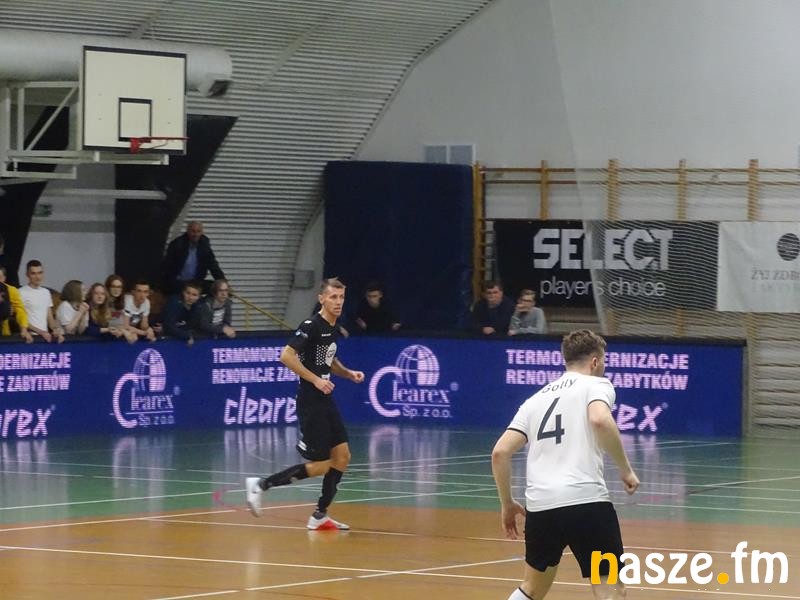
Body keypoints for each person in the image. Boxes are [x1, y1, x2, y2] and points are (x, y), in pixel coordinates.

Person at [491, 329, 640, 600]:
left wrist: (507, 503)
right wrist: (625, 469)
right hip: (587, 503)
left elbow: (500, 452)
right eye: (604, 361)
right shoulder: (596, 385)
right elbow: (599, 419)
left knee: (532, 589)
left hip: (541, 509)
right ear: (595, 362)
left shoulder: (534, 400)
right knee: (609, 589)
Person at [245, 277, 365, 530]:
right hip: (311, 401)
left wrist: (347, 373)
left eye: (341, 297)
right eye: (333, 297)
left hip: (325, 399)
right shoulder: (311, 325)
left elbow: (328, 360)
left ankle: (320, 515)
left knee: (342, 456)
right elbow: (286, 356)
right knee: (322, 464)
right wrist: (316, 380)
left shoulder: (332, 326)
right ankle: (261, 485)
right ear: (321, 299)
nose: (338, 302)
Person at [161, 221, 225, 294]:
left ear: (202, 232)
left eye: (198, 231)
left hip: (196, 283)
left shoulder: (204, 245)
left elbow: (213, 265)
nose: (196, 234)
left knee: (217, 287)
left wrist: (223, 283)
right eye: (193, 231)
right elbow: (167, 266)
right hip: (178, 283)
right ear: (187, 231)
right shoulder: (177, 244)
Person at [19, 260, 64, 343]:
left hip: (45, 338)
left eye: (40, 273)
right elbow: (20, 319)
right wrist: (40, 332)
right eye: (33, 273)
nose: (38, 277)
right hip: (29, 338)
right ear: (27, 275)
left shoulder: (46, 292)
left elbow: (50, 318)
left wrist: (56, 329)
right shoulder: (21, 292)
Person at [0, 266, 32, 343]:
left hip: (4, 334)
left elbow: (20, 311)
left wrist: (24, 328)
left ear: (4, 278)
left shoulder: (11, 291)